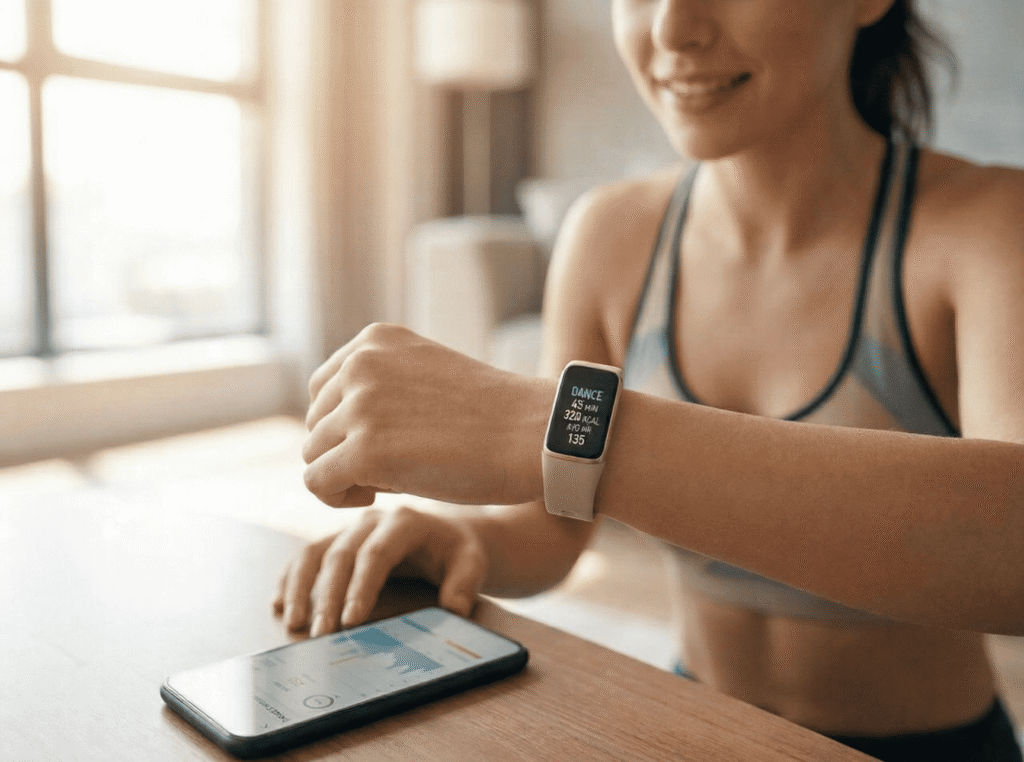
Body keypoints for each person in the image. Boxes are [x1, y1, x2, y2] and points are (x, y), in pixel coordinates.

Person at [274, 0, 1024, 759]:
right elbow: (557, 520)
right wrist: (459, 538)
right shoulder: (610, 235)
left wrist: (536, 422)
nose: (671, 30)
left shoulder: (988, 225)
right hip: (692, 730)